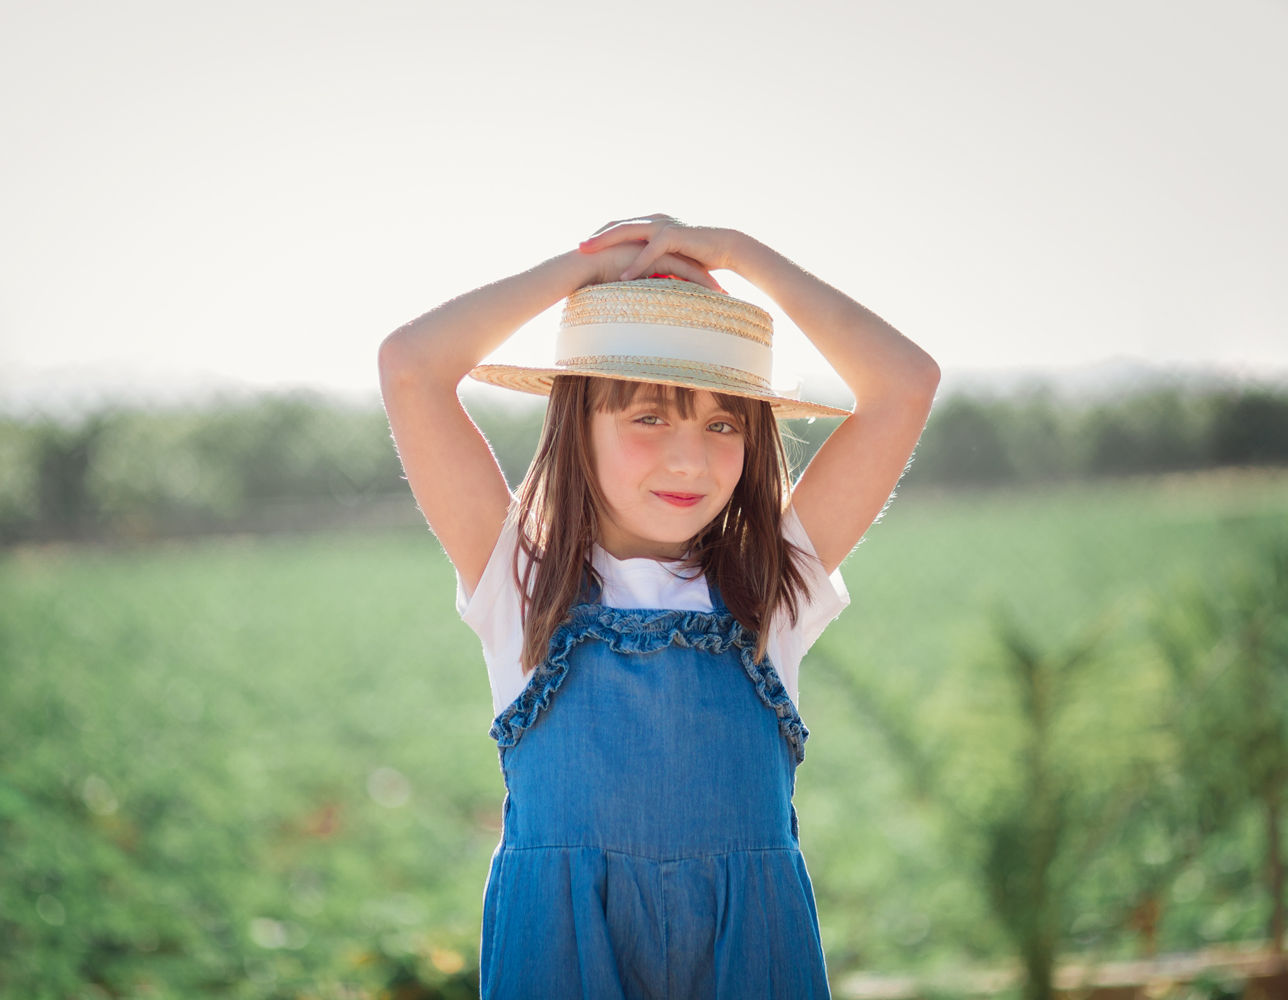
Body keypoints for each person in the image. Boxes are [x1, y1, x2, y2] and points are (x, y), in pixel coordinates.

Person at [377, 215, 939, 999]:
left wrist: (739, 255)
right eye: (649, 415)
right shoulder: (520, 582)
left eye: (722, 423)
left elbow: (904, 384)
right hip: (563, 959)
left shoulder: (770, 585)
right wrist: (591, 270)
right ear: (579, 426)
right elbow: (411, 367)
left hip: (751, 959)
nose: (691, 458)